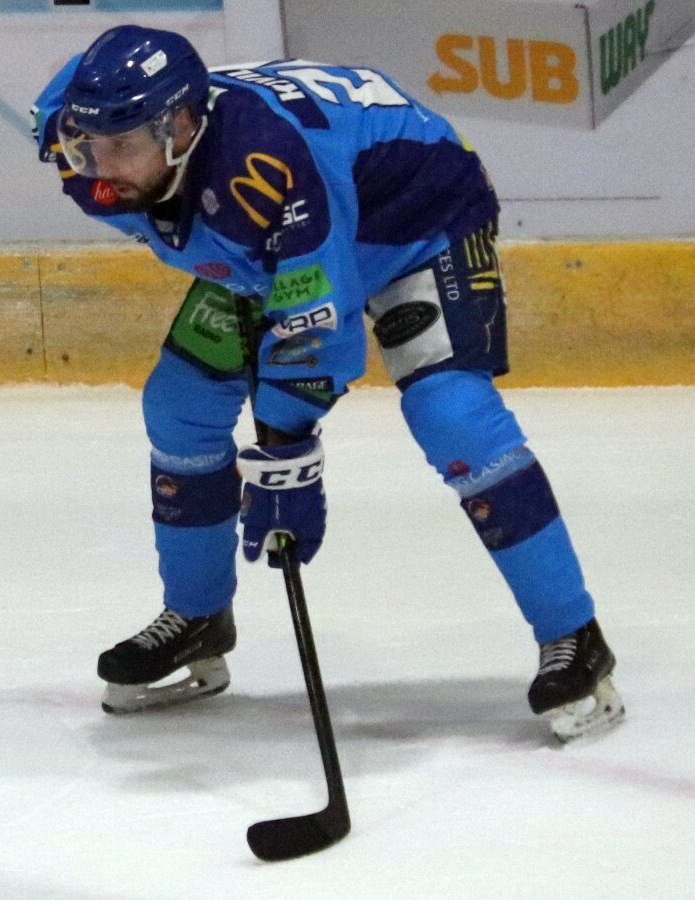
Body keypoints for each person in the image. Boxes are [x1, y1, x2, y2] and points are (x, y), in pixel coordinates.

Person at [31, 24, 625, 740]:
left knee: (453, 414)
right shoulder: (83, 130)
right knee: (180, 405)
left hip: (417, 221)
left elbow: (317, 326)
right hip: (280, 229)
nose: (99, 166)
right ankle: (197, 615)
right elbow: (81, 111)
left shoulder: (267, 166)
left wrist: (286, 458)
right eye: (89, 142)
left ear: (180, 126)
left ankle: (574, 634)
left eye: (122, 146)